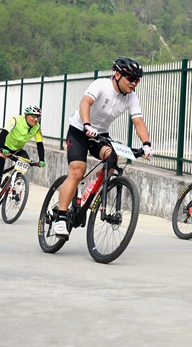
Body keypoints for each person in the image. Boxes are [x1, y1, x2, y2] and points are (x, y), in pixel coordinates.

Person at [52, 57, 153, 237]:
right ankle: (60, 218)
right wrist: (87, 124)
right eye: (131, 79)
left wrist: (146, 144)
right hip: (79, 130)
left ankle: (92, 193)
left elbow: (138, 121)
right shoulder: (101, 85)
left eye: (137, 80)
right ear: (117, 75)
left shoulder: (131, 97)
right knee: (78, 171)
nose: (134, 83)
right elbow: (85, 103)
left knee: (112, 158)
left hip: (100, 135)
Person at [0, 106, 46, 210]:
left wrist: (41, 160)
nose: (36, 119)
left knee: (25, 164)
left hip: (18, 150)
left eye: (38, 117)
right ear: (26, 115)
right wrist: (2, 148)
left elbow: (39, 144)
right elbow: (4, 133)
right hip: (4, 147)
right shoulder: (16, 120)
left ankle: (13, 185)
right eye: (33, 116)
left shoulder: (37, 127)